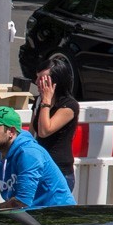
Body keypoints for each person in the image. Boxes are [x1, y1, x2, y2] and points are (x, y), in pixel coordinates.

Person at [0, 106, 75, 213]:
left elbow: (22, 202)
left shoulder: (29, 153)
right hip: (34, 218)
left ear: (11, 131)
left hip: (59, 217)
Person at [30, 57, 79, 190]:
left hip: (59, 171)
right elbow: (32, 133)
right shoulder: (39, 101)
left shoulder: (69, 105)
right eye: (37, 78)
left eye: (42, 79)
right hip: (39, 167)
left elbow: (44, 131)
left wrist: (46, 101)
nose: (37, 83)